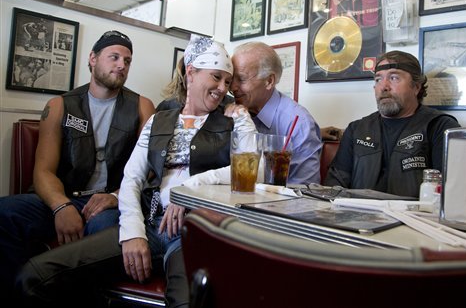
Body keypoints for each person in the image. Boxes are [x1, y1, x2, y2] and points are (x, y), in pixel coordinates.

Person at [16, 34, 257, 308]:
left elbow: (249, 175)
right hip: (152, 224)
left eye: (227, 81)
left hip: (197, 231)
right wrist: (132, 232)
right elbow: (132, 179)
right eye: (216, 77)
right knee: (34, 276)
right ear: (191, 73)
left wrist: (186, 191)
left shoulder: (237, 118)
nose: (222, 88)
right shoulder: (159, 119)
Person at [0, 30, 155, 300]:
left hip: (111, 202)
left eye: (127, 61)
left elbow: (150, 169)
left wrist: (115, 197)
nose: (122, 65)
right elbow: (43, 170)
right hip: (64, 197)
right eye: (114, 57)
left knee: (103, 232)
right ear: (93, 59)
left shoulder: (142, 106)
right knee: (5, 211)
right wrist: (61, 206)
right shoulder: (60, 105)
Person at [323, 51, 461, 197]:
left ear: (416, 87)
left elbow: (452, 193)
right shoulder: (357, 129)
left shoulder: (440, 127)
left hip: (412, 218)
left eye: (394, 77)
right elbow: (334, 186)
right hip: (358, 216)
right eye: (378, 79)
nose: (384, 87)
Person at [230, 41, 323, 185]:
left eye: (241, 79)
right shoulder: (231, 111)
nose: (232, 87)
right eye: (231, 79)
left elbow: (305, 189)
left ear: (269, 81)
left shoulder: (299, 124)